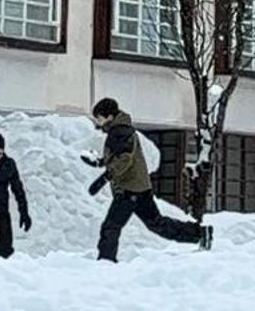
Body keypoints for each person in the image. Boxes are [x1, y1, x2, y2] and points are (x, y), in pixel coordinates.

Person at [85, 96, 212, 262]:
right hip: (138, 187)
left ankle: (105, 262)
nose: (98, 122)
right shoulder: (121, 130)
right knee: (156, 223)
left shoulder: (120, 131)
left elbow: (124, 159)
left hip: (129, 189)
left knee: (111, 227)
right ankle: (200, 233)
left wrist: (104, 178)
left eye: (99, 118)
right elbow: (119, 157)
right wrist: (99, 162)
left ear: (108, 116)